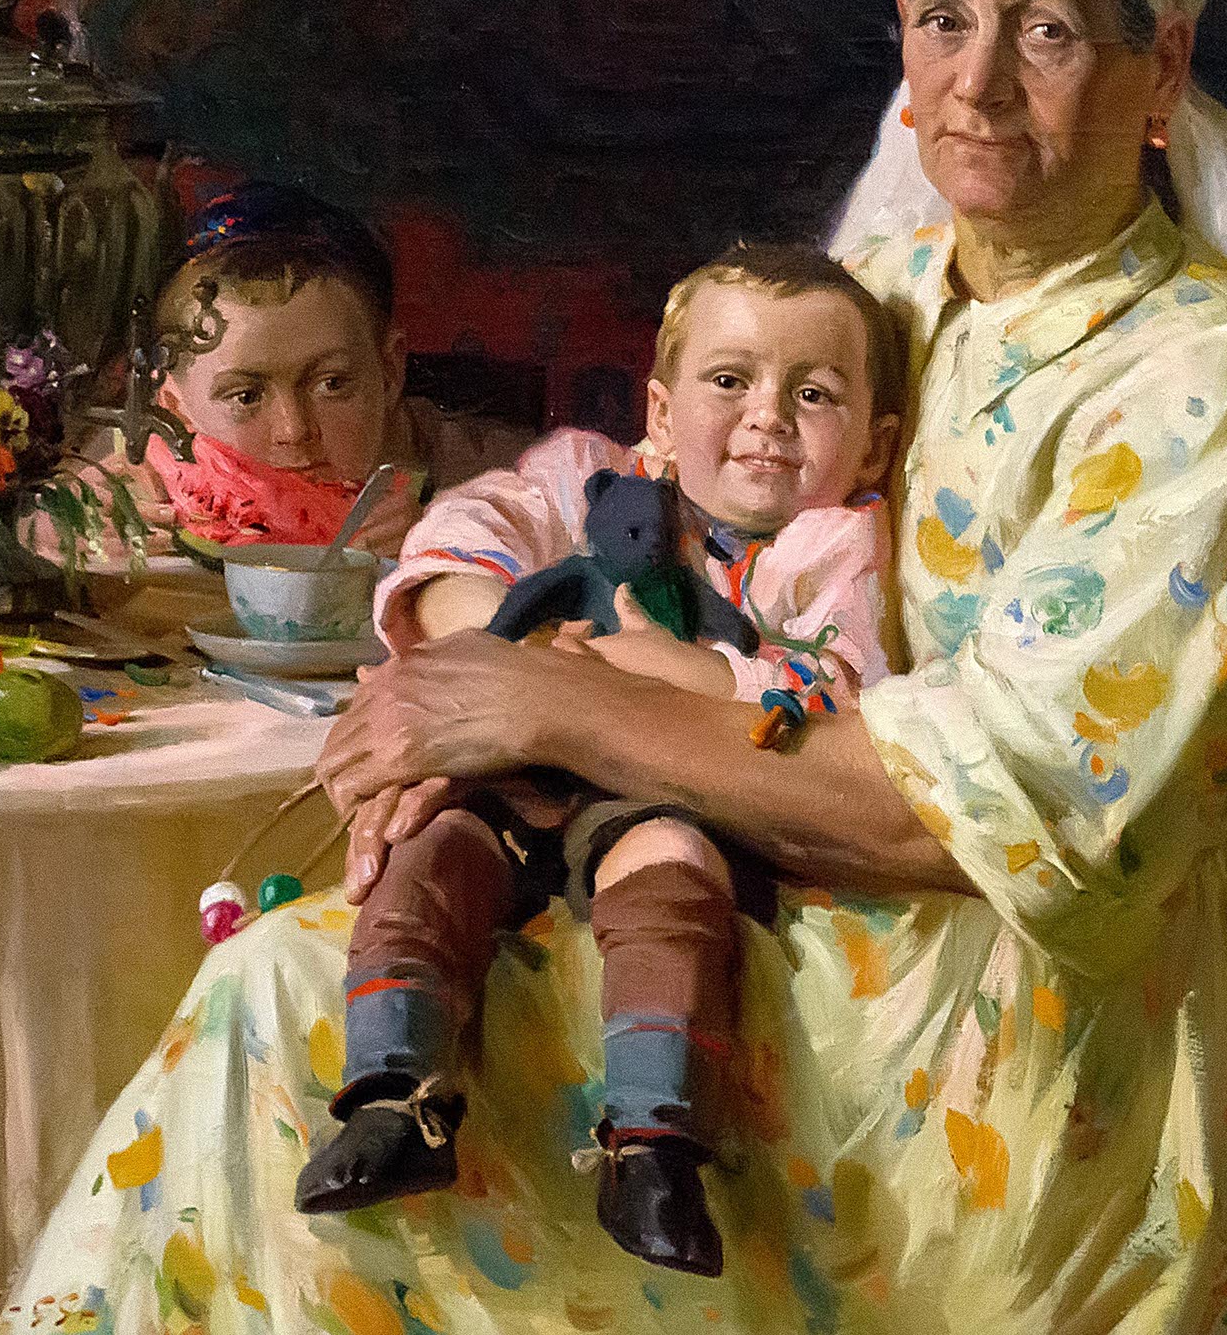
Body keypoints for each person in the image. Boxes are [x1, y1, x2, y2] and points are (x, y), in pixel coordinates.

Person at [0, 0, 1227, 1335]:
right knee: (289, 980)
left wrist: (551, 704)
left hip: (1027, 1012)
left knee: (283, 1017)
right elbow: (607, 507)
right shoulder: (880, 295)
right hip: (767, 880)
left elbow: (1015, 811)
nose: (974, 84)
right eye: (941, 20)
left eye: (1042, 32)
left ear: (1159, 68)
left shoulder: (1206, 372)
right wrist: (472, 661)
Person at [292, 245, 903, 1282]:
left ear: (875, 445)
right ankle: (394, 1098)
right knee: (433, 850)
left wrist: (679, 674)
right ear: (660, 412)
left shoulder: (837, 550)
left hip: (676, 793)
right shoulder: (592, 478)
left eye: (813, 395)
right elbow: (460, 534)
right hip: (519, 774)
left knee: (671, 871)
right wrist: (512, 652)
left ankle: (653, 1147)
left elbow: (838, 693)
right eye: (730, 381)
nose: (766, 417)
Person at [61, 182, 533, 562]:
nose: (294, 431)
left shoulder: (505, 473)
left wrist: (455, 542)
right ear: (172, 404)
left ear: (389, 370)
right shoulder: (121, 461)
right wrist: (54, 529)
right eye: (246, 396)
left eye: (332, 384)